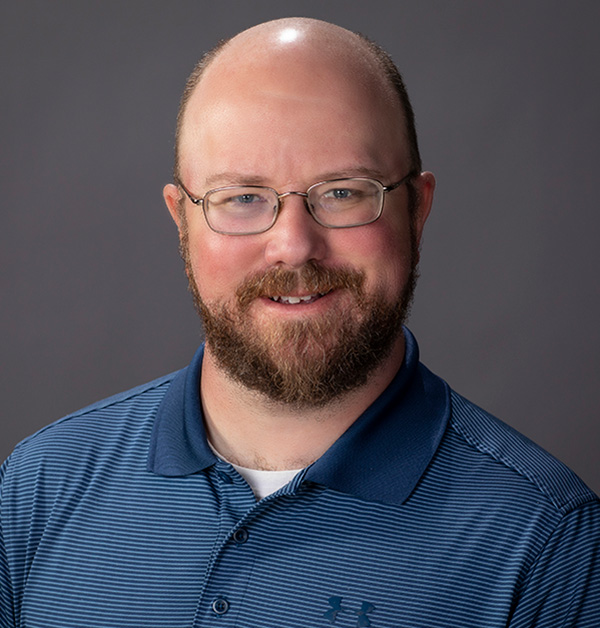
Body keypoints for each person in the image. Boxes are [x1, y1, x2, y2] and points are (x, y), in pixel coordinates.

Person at [1, 17, 598, 628]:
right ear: (182, 221)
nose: (293, 245)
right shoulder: (37, 487)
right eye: (242, 197)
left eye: (342, 192)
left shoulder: (551, 544)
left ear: (417, 210)